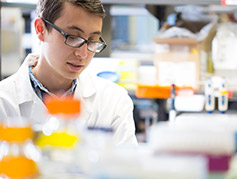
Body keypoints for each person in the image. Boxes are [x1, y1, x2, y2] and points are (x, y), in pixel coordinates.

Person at [0, 0, 138, 146]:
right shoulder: (4, 101)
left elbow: (125, 166)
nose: (82, 54)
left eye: (92, 40)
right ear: (41, 29)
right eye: (72, 37)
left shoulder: (113, 100)